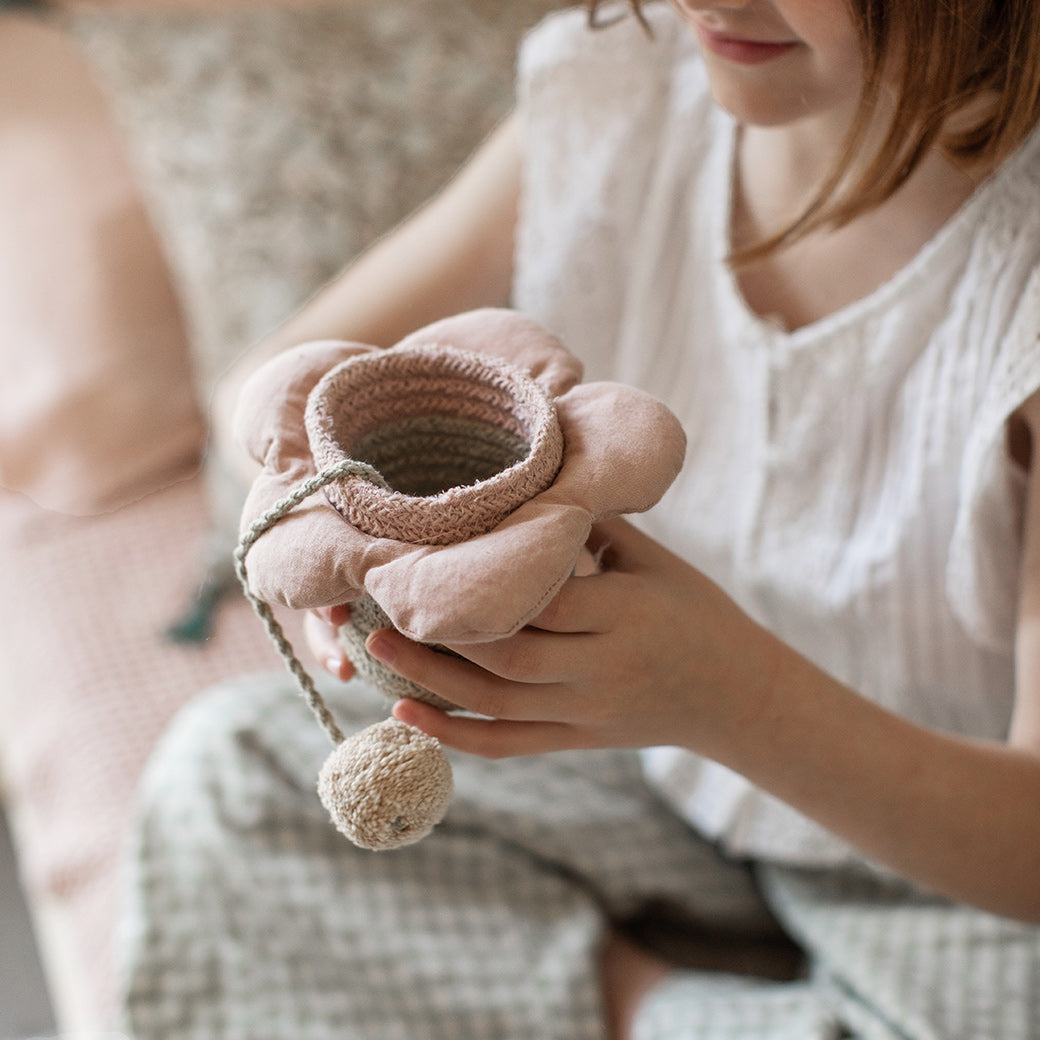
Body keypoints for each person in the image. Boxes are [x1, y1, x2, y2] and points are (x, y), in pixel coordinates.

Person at [125, 1, 1040, 1038]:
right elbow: (271, 387)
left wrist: (727, 699)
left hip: (931, 868)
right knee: (229, 781)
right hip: (648, 782)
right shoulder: (621, 87)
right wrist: (346, 535)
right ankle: (646, 997)